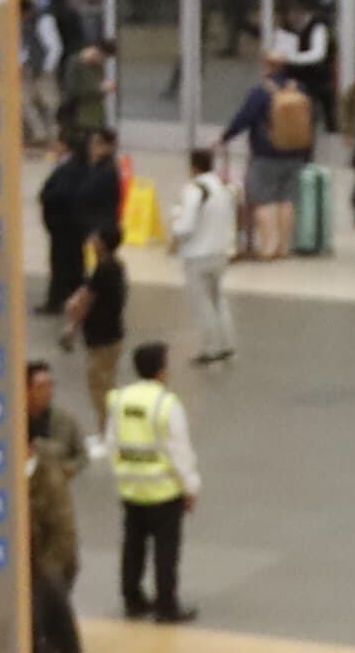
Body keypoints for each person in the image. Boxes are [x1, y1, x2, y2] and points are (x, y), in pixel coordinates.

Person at [107, 341, 202, 623]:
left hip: (131, 488)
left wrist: (122, 473)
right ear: (161, 370)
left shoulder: (119, 399)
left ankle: (132, 598)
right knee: (165, 550)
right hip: (163, 491)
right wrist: (190, 486)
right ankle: (166, 605)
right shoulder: (166, 404)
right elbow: (178, 450)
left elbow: (111, 442)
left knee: (133, 546)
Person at [24, 359, 87, 653]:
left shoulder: (49, 478)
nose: (47, 392)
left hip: (48, 575)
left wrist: (45, 577)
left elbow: (63, 533)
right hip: (29, 577)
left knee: (55, 634)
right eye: (40, 386)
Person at [37, 127, 119, 316]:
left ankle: (68, 300)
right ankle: (74, 297)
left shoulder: (87, 168)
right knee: (72, 263)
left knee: (68, 263)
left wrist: (48, 198)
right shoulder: (90, 166)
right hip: (72, 224)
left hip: (69, 224)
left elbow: (73, 194)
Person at [168, 152, 240, 365]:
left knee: (203, 303)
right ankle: (227, 344)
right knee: (219, 299)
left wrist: (175, 230)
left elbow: (186, 225)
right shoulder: (224, 187)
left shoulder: (194, 190)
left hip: (198, 255)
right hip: (221, 251)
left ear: (193, 167)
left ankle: (211, 348)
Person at [244, 57, 315, 260]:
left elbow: (245, 117)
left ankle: (269, 246)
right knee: (287, 200)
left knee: (262, 199)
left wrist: (224, 137)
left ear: (267, 66)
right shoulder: (299, 89)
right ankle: (284, 247)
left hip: (265, 155)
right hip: (295, 153)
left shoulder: (261, 92)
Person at [62, 224, 130, 419]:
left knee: (100, 388)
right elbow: (88, 290)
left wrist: (71, 328)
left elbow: (87, 301)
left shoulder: (104, 269)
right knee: (107, 383)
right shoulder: (115, 265)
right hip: (112, 333)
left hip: (101, 336)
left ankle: (107, 432)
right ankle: (108, 431)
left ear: (101, 243)